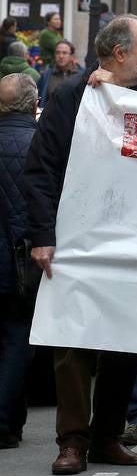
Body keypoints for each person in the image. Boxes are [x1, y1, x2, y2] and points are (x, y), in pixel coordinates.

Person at [23, 16, 137, 476]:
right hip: (77, 240)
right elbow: (40, 170)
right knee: (72, 344)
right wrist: (42, 237)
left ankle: (107, 436)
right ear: (119, 53)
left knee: (125, 340)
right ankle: (72, 442)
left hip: (130, 240)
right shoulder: (68, 100)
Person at [0, 74, 39, 448]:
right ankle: (5, 422)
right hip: (22, 260)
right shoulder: (39, 144)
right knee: (17, 337)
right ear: (33, 104)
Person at [37, 40, 84, 104]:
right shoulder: (46, 76)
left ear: (72, 56)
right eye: (57, 53)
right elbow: (38, 98)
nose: (61, 56)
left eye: (64, 53)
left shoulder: (82, 75)